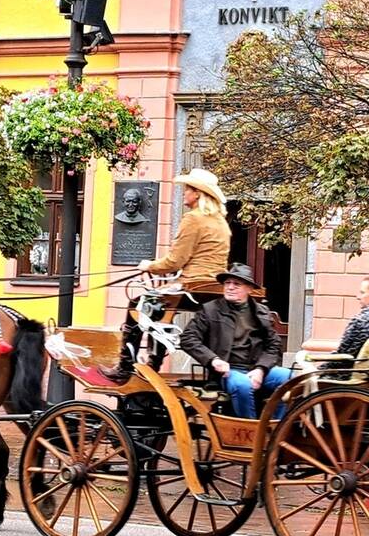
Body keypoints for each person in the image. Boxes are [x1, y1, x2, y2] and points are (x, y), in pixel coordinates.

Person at [99, 168, 231, 383]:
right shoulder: (220, 222)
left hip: (192, 284)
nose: (185, 193)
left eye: (188, 189)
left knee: (138, 304)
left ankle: (127, 367)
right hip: (213, 287)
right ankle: (152, 363)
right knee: (159, 311)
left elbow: (175, 261)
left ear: (198, 193)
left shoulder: (194, 219)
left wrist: (149, 265)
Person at [180, 263, 290, 419]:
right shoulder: (210, 310)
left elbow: (274, 345)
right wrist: (213, 360)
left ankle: (276, 427)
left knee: (289, 378)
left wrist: (260, 369)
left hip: (257, 368)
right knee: (241, 385)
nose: (230, 287)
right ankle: (251, 434)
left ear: (249, 289)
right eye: (227, 283)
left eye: (236, 284)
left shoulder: (261, 312)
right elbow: (188, 338)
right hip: (228, 371)